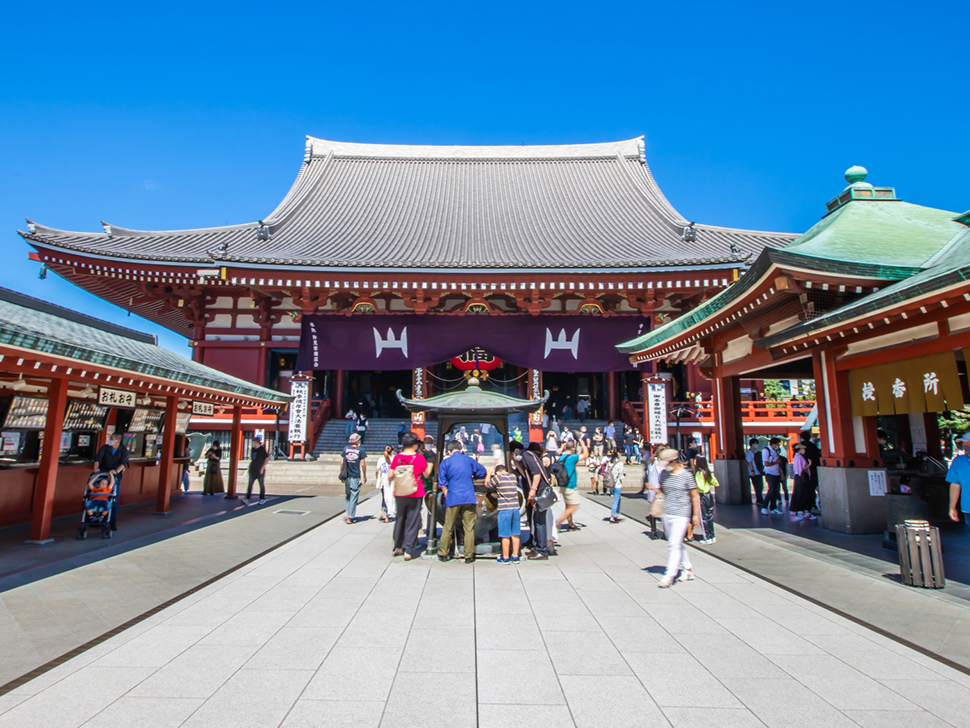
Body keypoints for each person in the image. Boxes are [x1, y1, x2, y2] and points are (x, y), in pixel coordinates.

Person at [655, 448, 701, 588]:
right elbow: (662, 490)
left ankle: (669, 575)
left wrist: (696, 514)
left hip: (682, 513)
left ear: (674, 461)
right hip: (667, 512)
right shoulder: (663, 474)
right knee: (676, 543)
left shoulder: (686, 475)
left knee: (673, 543)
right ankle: (687, 568)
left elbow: (694, 495)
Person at [437, 440, 487, 563]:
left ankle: (443, 552)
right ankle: (468, 555)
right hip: (468, 496)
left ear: (449, 451)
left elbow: (442, 481)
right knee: (469, 528)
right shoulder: (469, 460)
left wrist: (445, 493)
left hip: (453, 496)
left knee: (448, 526)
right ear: (461, 449)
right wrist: (475, 476)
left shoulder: (446, 462)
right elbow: (482, 471)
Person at [389, 433, 431, 560]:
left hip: (400, 492)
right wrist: (430, 464)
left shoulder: (397, 458)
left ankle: (398, 546)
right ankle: (409, 549)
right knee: (412, 521)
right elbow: (427, 474)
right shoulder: (419, 458)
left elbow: (390, 476)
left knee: (400, 518)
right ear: (414, 445)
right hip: (415, 492)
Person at [515, 441, 552, 560]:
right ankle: (536, 548)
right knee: (536, 520)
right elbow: (525, 474)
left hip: (540, 491)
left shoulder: (526, 455)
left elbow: (536, 473)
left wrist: (533, 490)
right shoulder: (527, 456)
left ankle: (542, 550)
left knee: (540, 521)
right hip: (539, 491)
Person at [93, 432, 130, 530]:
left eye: (112, 439)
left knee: (113, 499)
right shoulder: (105, 448)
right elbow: (98, 459)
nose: (110, 440)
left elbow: (123, 463)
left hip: (114, 477)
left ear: (117, 441)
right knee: (99, 496)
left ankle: (112, 521)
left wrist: (116, 471)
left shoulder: (123, 451)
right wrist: (96, 468)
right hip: (103, 475)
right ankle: (98, 518)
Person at [487, 464, 521, 564]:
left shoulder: (498, 477)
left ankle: (505, 558)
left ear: (497, 472)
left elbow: (487, 484)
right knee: (515, 534)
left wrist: (489, 473)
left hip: (505, 509)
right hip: (515, 508)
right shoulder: (513, 477)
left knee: (505, 535)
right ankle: (515, 556)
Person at [555, 440, 587, 532]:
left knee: (568, 505)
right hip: (570, 485)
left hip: (563, 484)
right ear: (573, 448)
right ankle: (559, 521)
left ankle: (570, 524)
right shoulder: (572, 457)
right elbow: (585, 455)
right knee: (574, 505)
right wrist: (583, 443)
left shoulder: (562, 457)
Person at [341, 433, 367, 524]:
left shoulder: (345, 449)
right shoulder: (361, 450)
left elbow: (341, 462)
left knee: (348, 495)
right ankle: (350, 517)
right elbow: (363, 464)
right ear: (357, 441)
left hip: (347, 475)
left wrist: (342, 473)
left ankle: (347, 511)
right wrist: (364, 475)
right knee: (354, 496)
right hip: (355, 475)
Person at [693, 455, 719, 543]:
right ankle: (712, 536)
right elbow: (715, 483)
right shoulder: (707, 472)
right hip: (709, 495)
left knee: (704, 517)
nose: (694, 462)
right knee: (710, 516)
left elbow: (699, 486)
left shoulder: (698, 473)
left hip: (702, 496)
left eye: (696, 460)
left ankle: (707, 537)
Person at [244, 435, 269, 505]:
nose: (253, 443)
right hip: (252, 469)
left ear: (257, 442)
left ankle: (262, 498)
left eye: (254, 442)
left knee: (261, 484)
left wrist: (262, 467)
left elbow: (267, 458)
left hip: (260, 470)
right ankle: (247, 498)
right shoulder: (253, 449)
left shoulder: (262, 449)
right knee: (250, 484)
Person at [761, 438, 783, 514]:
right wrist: (775, 463)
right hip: (769, 473)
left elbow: (778, 462)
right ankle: (764, 506)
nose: (778, 446)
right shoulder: (766, 450)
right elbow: (766, 463)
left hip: (776, 473)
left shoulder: (775, 451)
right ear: (773, 444)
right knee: (771, 490)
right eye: (777, 444)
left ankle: (773, 507)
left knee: (776, 491)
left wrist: (781, 472)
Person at [376, 445, 396, 523]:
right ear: (392, 451)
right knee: (390, 497)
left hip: (384, 480)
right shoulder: (394, 459)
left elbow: (377, 470)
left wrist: (377, 478)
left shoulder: (381, 459)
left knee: (384, 497)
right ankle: (388, 515)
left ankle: (383, 512)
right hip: (392, 481)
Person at [606, 448, 625, 524]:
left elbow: (606, 471)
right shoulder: (620, 464)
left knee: (617, 498)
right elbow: (621, 475)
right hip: (617, 484)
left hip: (610, 483)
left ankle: (618, 512)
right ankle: (612, 516)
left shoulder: (609, 463)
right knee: (616, 500)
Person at [746, 438, 765, 507]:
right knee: (757, 486)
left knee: (760, 486)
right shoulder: (749, 452)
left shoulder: (756, 452)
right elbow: (749, 462)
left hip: (758, 471)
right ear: (751, 444)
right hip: (753, 472)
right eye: (754, 443)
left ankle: (760, 498)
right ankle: (759, 499)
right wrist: (752, 471)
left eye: (756, 443)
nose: (756, 445)